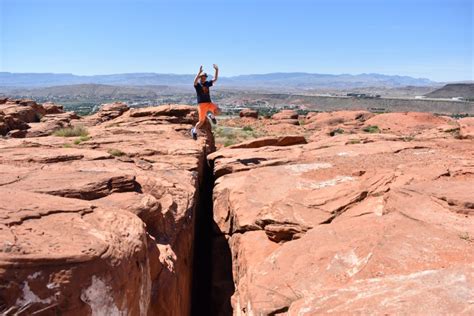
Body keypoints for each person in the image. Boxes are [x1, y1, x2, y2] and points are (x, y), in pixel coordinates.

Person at [191, 64, 221, 140]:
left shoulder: (207, 83)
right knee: (201, 122)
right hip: (201, 105)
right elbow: (194, 81)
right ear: (200, 78)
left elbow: (215, 79)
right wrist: (199, 72)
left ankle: (211, 116)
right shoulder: (198, 85)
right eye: (202, 77)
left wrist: (216, 70)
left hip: (209, 103)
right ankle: (194, 131)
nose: (204, 78)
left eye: (205, 77)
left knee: (218, 110)